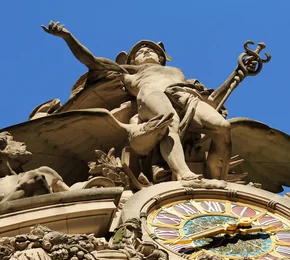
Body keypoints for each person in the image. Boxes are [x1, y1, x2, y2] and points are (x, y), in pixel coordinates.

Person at [42, 21, 235, 180]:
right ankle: (184, 173)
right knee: (168, 120)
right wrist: (67, 37)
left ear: (161, 58)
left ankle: (216, 179)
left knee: (222, 128)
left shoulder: (179, 73)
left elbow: (213, 101)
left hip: (184, 94)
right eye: (139, 51)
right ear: (132, 61)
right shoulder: (128, 72)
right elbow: (91, 61)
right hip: (151, 93)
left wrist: (238, 74)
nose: (145, 52)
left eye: (151, 50)